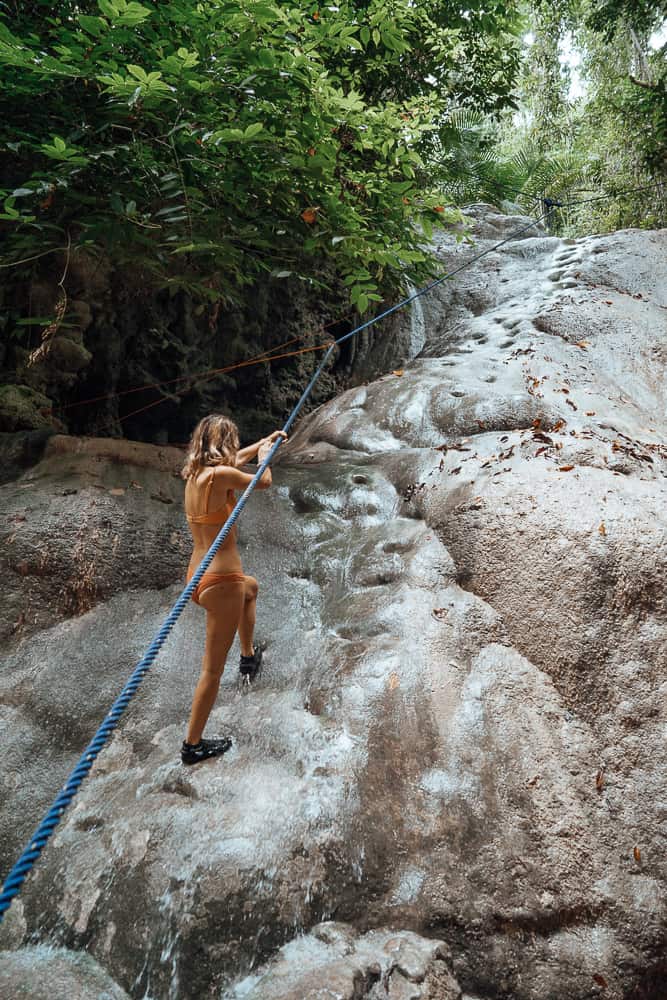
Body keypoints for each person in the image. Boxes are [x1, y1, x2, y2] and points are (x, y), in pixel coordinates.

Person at [179, 414, 286, 765]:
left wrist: (263, 441)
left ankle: (247, 656)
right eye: (236, 442)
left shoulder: (196, 475)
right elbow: (263, 481)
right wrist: (265, 456)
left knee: (251, 589)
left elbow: (233, 463)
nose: (239, 448)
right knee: (211, 670)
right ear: (224, 443)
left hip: (200, 576)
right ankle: (192, 745)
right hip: (222, 580)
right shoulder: (220, 476)